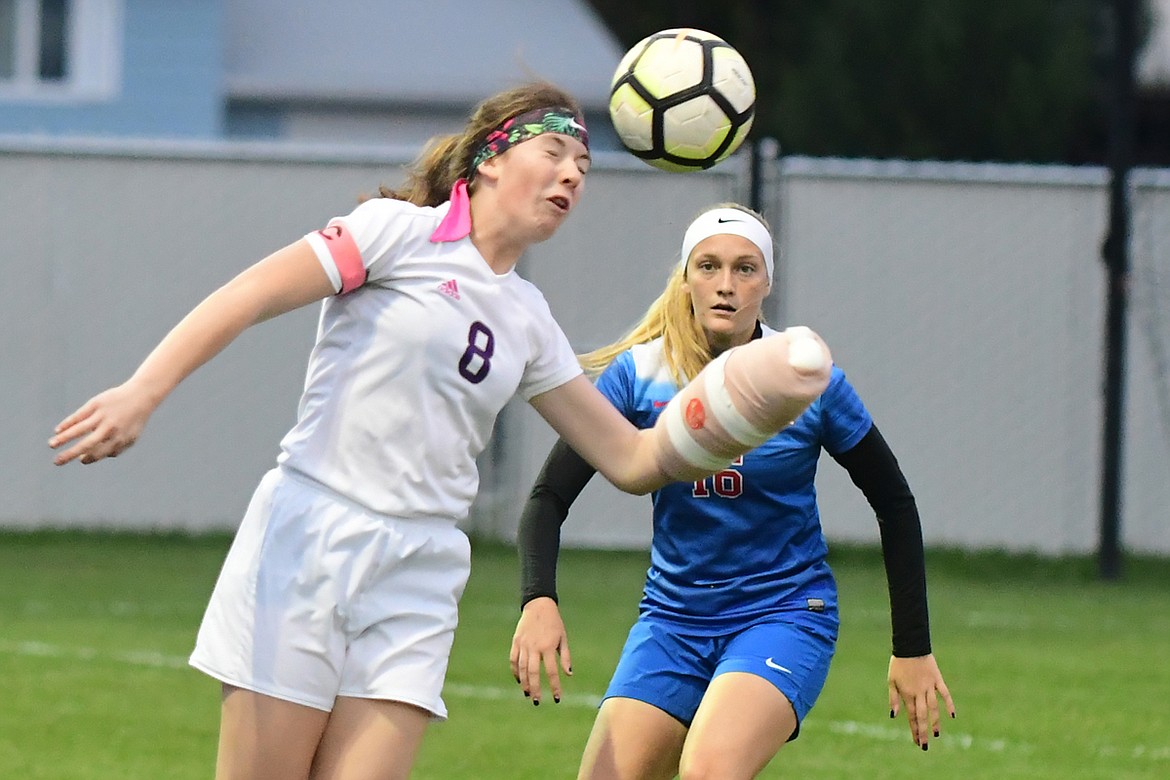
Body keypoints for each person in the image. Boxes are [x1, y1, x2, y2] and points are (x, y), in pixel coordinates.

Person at [48, 82, 833, 780]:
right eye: (555, 153)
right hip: (311, 535)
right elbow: (249, 295)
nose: (571, 177)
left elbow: (631, 459)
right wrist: (143, 390)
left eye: (583, 171)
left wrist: (732, 409)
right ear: (490, 159)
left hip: (421, 567)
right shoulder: (396, 232)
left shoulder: (529, 319)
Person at [510, 203, 957, 780]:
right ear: (686, 277)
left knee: (709, 770)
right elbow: (548, 498)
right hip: (672, 619)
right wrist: (537, 599)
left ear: (768, 280)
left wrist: (912, 647)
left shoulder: (803, 379)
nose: (726, 285)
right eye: (709, 266)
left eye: (745, 269)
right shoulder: (640, 374)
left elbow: (894, 501)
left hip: (784, 612)